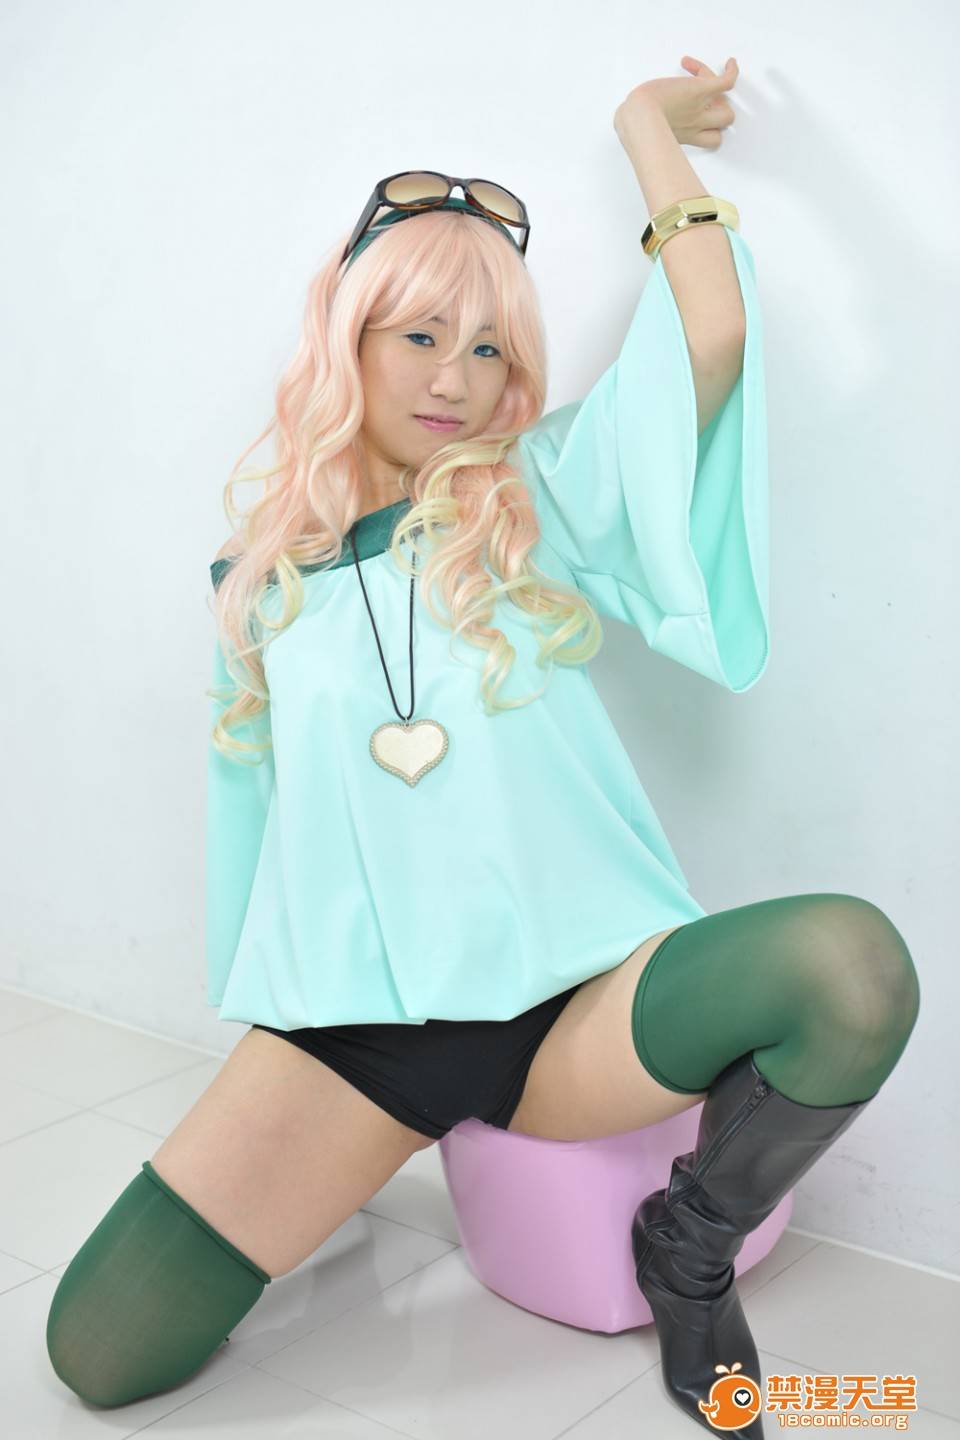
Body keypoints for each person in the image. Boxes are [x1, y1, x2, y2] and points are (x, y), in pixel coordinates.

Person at [46, 67, 920, 1437]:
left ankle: (688, 1252)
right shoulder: (256, 585)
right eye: (420, 337)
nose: (456, 381)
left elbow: (708, 336)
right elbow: (262, 837)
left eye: (492, 349)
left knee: (851, 965)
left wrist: (645, 133)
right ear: (348, 336)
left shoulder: (530, 502)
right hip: (358, 1041)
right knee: (97, 1351)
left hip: (579, 1010)